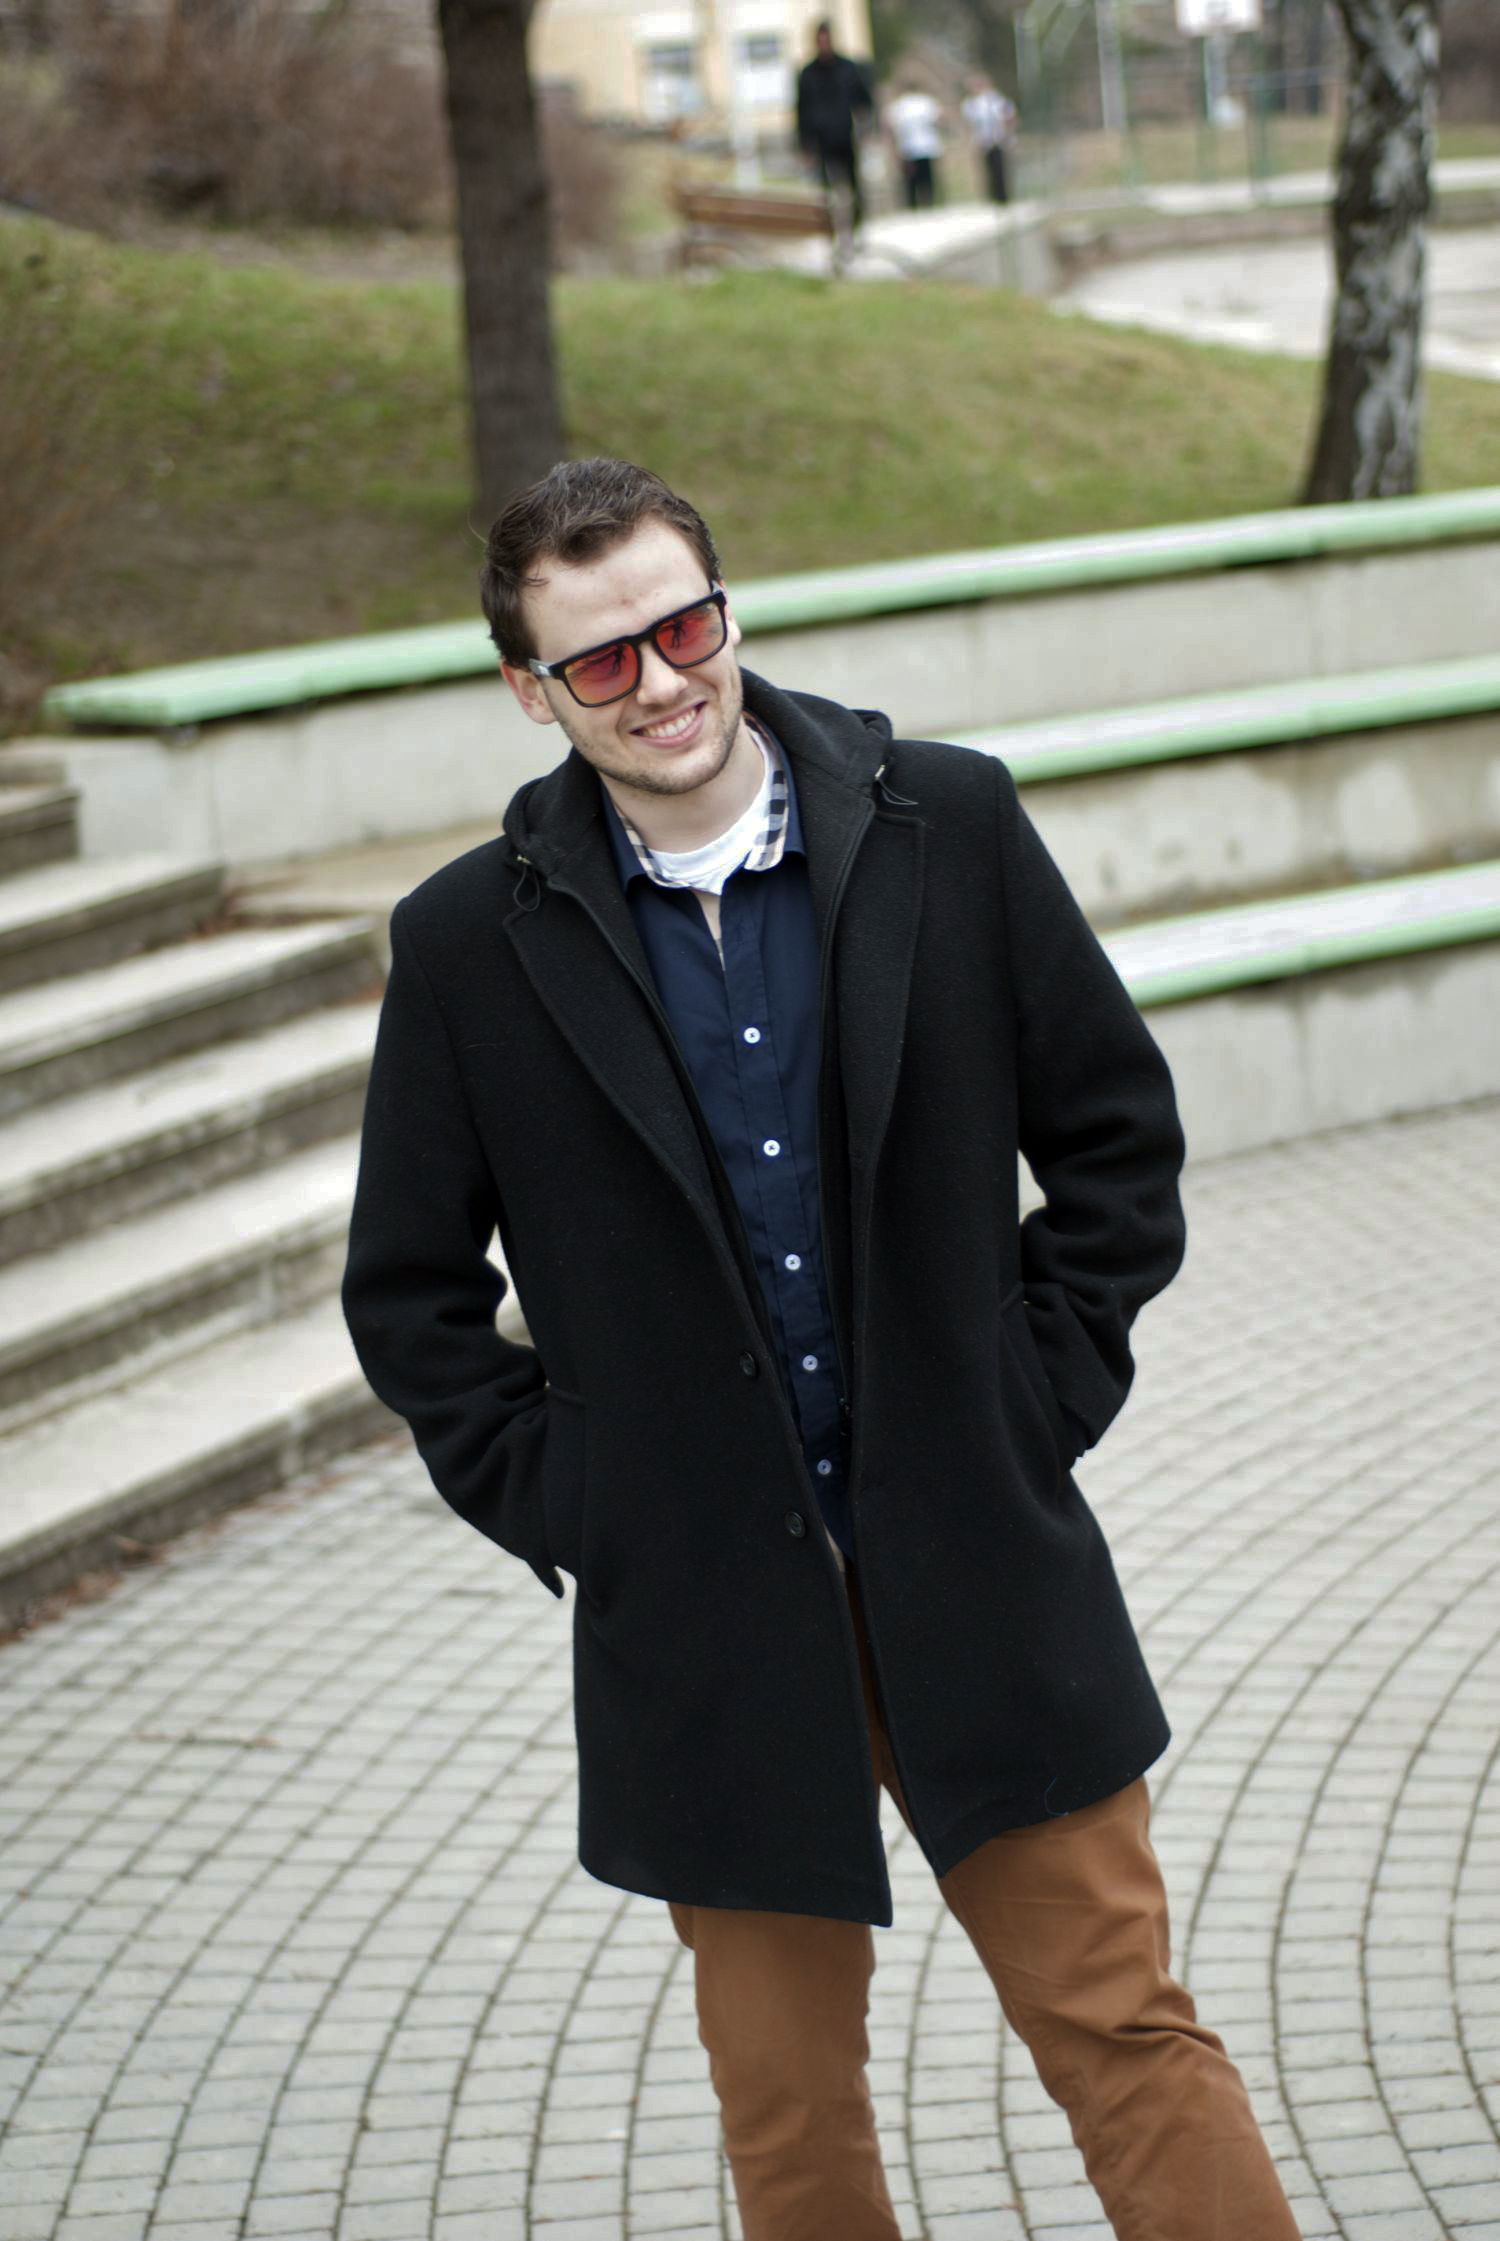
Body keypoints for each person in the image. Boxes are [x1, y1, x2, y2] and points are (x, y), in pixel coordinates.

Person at [342, 455, 1304, 2241]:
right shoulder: (468, 945)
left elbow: (1118, 1143)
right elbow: (408, 1296)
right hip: (707, 1630)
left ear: (728, 609)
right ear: (532, 692)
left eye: (683, 626)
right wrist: (582, 1502)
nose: (662, 681)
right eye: (601, 659)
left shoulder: (950, 822)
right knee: (788, 2118)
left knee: (1126, 2036)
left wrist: (1035, 1396)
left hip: (982, 1566)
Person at [795, 18, 873, 230]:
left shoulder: (847, 68)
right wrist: (804, 144)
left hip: (845, 134)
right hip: (821, 139)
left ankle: (856, 223)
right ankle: (830, 228)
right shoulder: (808, 74)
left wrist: (866, 129)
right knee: (825, 190)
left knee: (852, 184)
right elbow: (801, 110)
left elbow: (863, 100)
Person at [883, 78, 945, 209]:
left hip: (908, 147)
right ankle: (929, 202)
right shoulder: (926, 103)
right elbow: (939, 119)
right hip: (925, 146)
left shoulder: (899, 106)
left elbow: (889, 127)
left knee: (911, 178)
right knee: (926, 177)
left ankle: (913, 204)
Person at [962, 69, 1017, 204]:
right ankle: (991, 196)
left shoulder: (997, 100)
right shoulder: (972, 104)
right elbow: (970, 124)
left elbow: (1010, 118)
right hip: (983, 141)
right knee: (987, 170)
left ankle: (1003, 197)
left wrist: (1007, 134)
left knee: (1000, 169)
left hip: (999, 140)